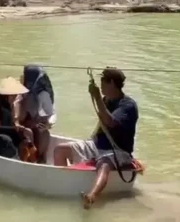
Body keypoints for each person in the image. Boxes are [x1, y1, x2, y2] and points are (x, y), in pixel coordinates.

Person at [52, 68, 138, 209]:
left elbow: (110, 121)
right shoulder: (107, 100)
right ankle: (62, 187)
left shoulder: (128, 105)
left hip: (118, 151)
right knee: (60, 150)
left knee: (104, 164)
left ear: (111, 83)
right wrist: (99, 99)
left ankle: (92, 196)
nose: (101, 85)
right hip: (97, 145)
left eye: (103, 82)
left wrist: (97, 98)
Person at [0, 77, 37, 162]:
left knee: (28, 132)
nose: (16, 96)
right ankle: (22, 160)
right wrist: (15, 129)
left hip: (7, 129)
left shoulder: (9, 104)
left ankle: (29, 159)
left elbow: (13, 121)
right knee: (23, 135)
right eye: (13, 94)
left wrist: (18, 126)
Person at [20, 65, 57, 163]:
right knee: (27, 132)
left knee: (44, 132)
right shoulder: (20, 89)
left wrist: (48, 124)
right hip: (21, 124)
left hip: (36, 125)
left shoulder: (43, 94)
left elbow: (52, 114)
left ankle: (41, 159)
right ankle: (28, 159)